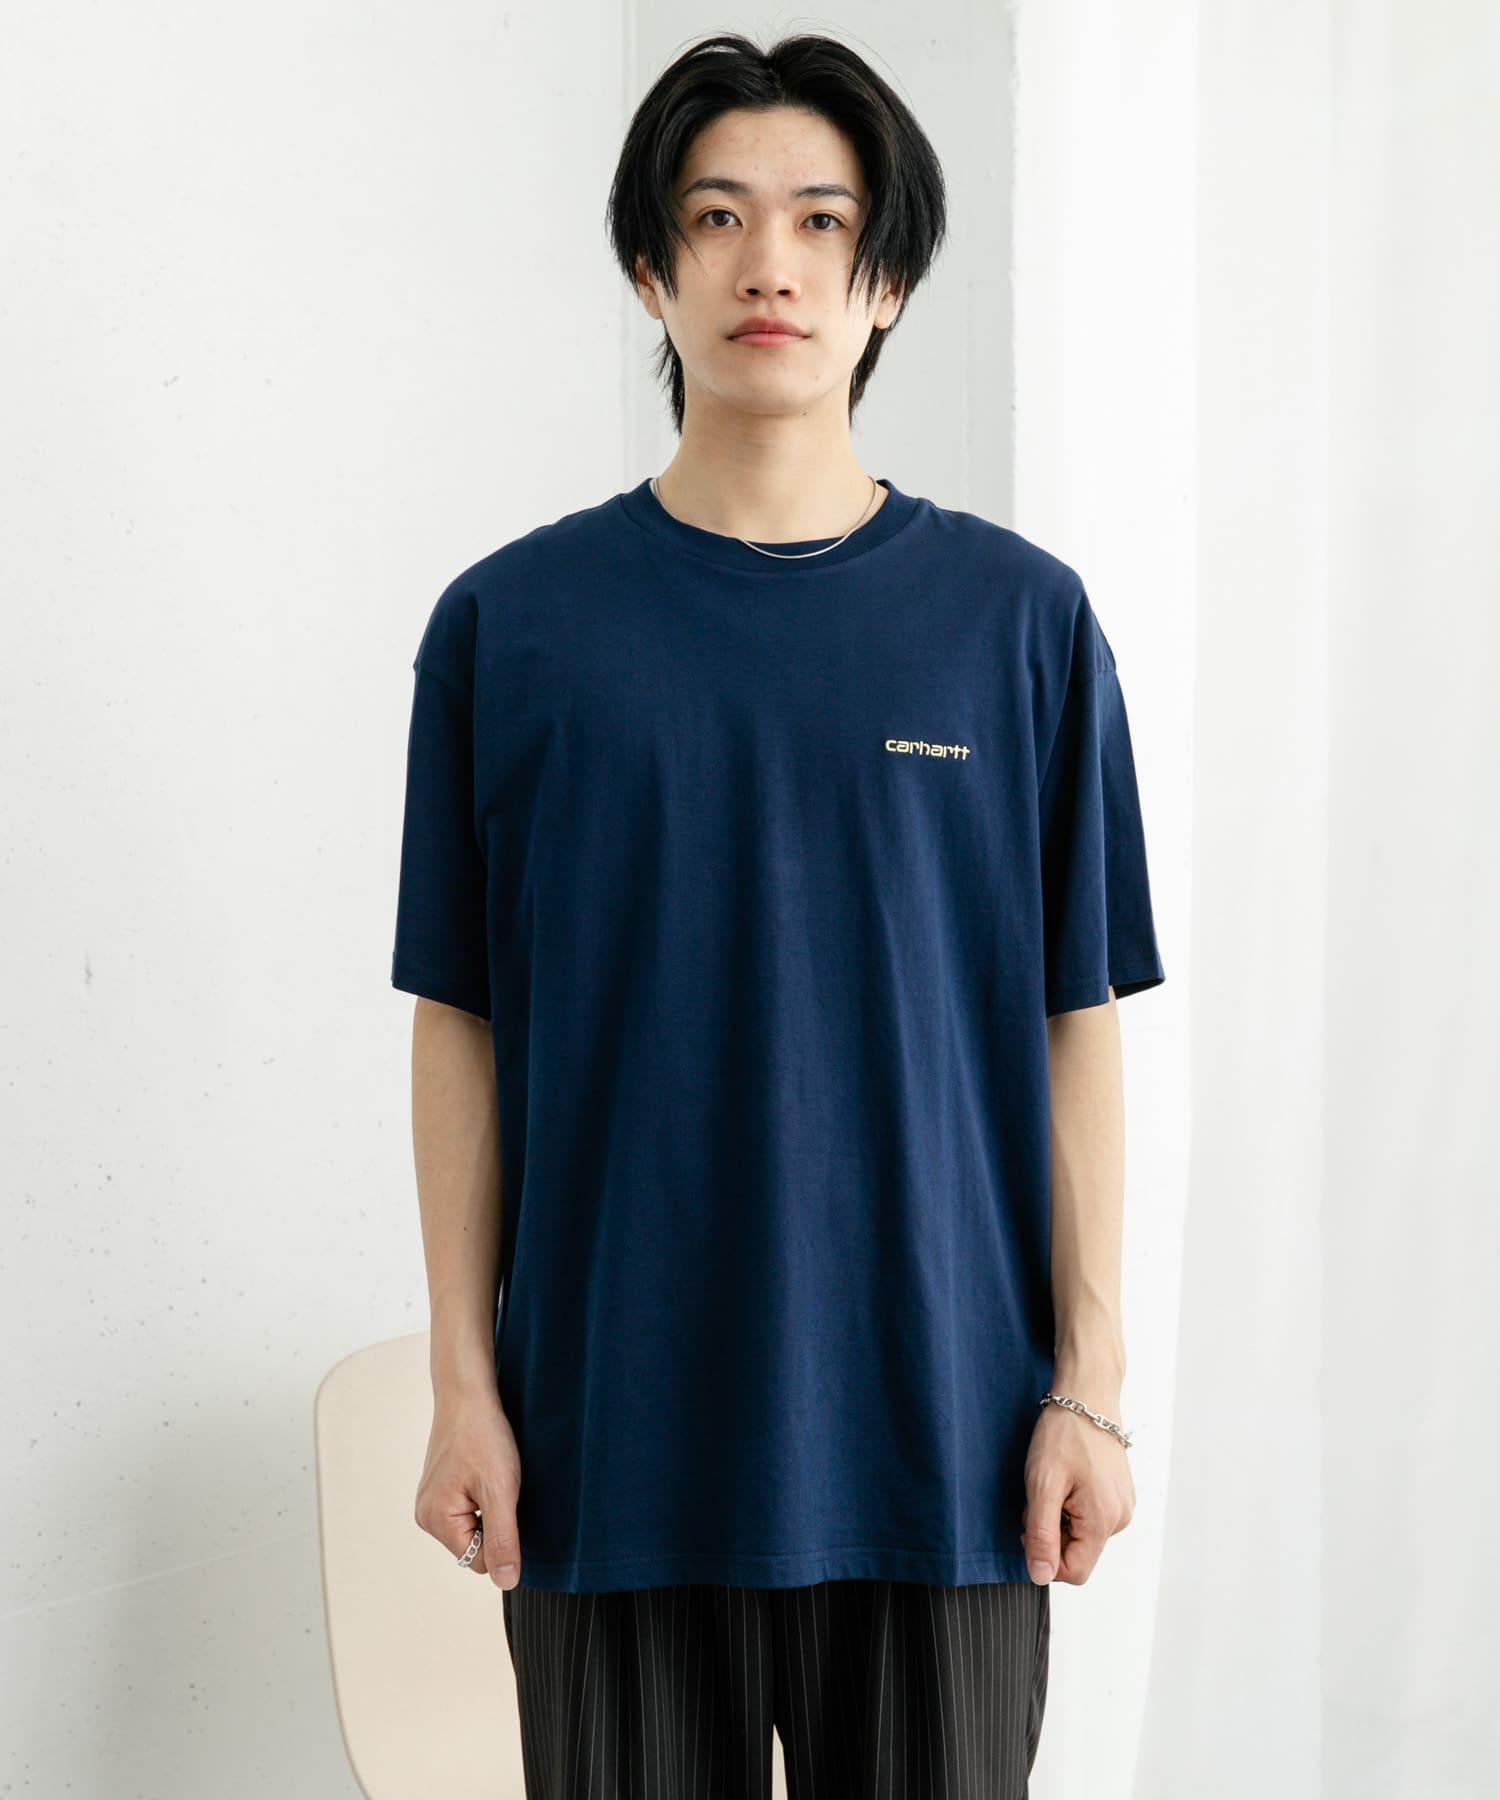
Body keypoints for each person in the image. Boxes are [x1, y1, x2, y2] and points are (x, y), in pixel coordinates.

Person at [392, 29, 1165, 1799]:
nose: (772, 265)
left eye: (823, 222)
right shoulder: (511, 629)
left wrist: (1090, 1381)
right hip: (607, 1457)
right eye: (718, 216)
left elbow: (1076, 1025)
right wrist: (463, 1385)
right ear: (649, 268)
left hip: (949, 1458)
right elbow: (461, 1022)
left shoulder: (1020, 626)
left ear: (885, 281)